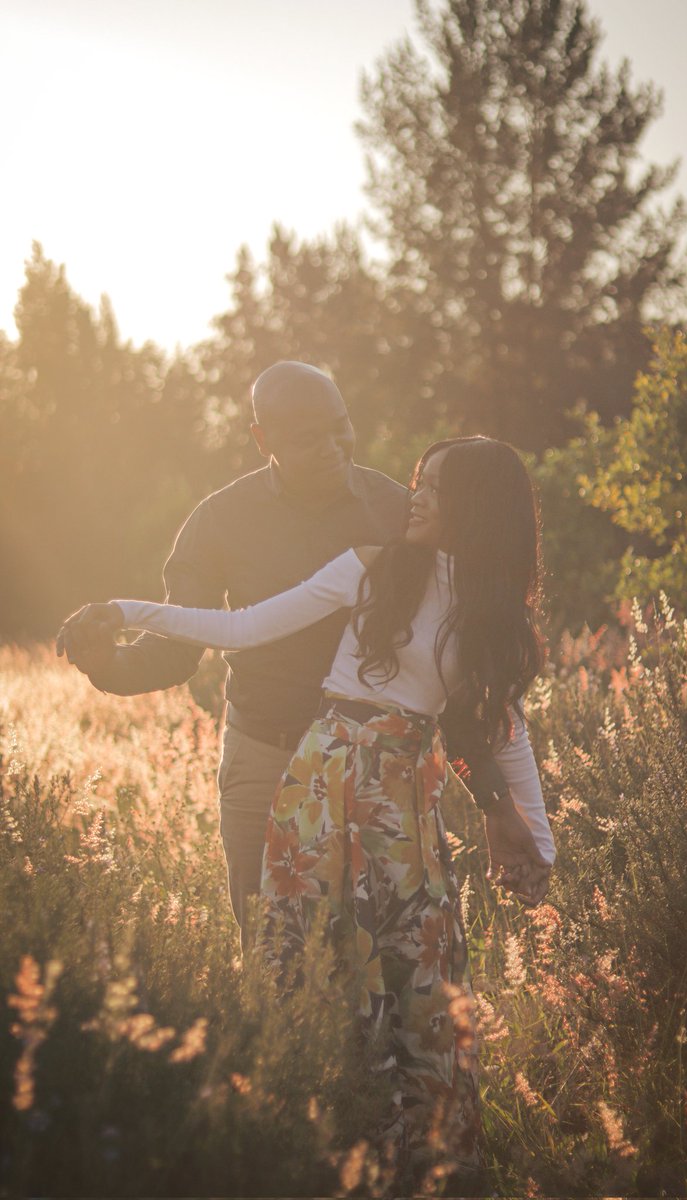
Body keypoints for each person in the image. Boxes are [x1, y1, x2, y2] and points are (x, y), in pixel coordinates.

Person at [57, 435, 556, 1177]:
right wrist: (123, 610)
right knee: (314, 962)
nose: (414, 494)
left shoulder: (492, 611)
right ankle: (317, 1146)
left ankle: (423, 1162)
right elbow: (243, 626)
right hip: (323, 786)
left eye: (435, 487)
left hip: (406, 805)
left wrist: (535, 839)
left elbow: (501, 731)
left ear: (478, 507)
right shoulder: (371, 567)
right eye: (419, 480)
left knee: (418, 967)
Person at [59, 362, 551, 944]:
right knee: (272, 949)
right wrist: (106, 662)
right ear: (262, 440)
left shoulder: (399, 511)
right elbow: (184, 649)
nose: (331, 446)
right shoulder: (220, 520)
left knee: (383, 950)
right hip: (263, 757)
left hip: (383, 777)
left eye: (339, 426)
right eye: (306, 437)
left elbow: (455, 666)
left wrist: (504, 807)